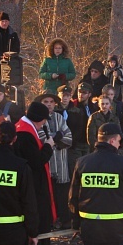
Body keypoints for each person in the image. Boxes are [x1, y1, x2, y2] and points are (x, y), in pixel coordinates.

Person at [15, 102, 56, 245]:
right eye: (43, 120)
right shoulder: (24, 133)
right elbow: (36, 161)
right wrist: (48, 146)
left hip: (31, 182)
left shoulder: (24, 128)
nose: (44, 124)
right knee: (36, 216)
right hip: (33, 185)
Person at [36, 93, 73, 229]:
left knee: (62, 195)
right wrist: (57, 136)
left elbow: (69, 137)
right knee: (47, 195)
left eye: (51, 102)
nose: (49, 104)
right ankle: (50, 221)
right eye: (46, 101)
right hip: (47, 162)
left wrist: (53, 140)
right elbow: (41, 139)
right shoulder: (37, 119)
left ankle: (64, 220)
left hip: (61, 162)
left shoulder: (59, 117)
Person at [0, 12, 21, 88]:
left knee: (8, 83)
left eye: (6, 21)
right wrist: (1, 56)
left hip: (9, 63)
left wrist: (10, 56)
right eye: (2, 21)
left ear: (9, 22)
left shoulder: (13, 34)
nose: (4, 23)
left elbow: (16, 48)